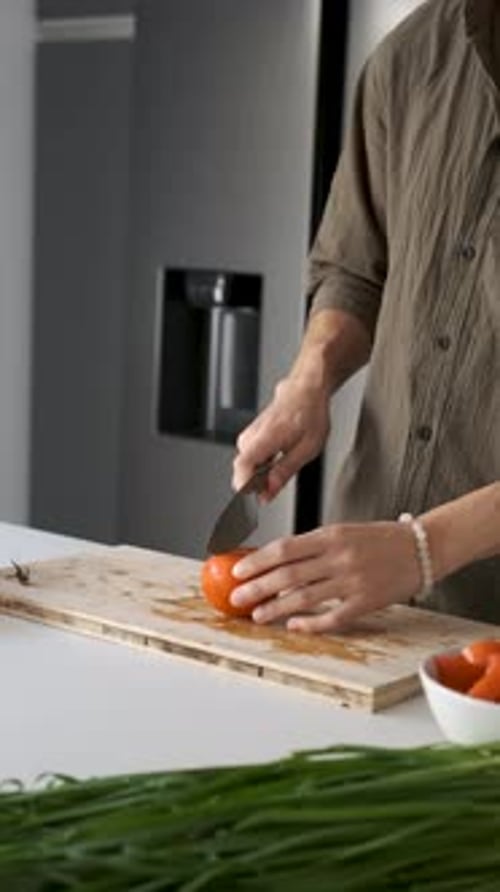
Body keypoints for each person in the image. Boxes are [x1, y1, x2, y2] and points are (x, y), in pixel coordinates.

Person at [228, 0, 500, 633]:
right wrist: (310, 379)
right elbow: (356, 270)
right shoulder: (411, 57)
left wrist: (426, 547)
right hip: (377, 610)